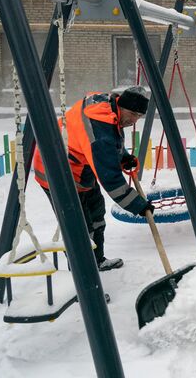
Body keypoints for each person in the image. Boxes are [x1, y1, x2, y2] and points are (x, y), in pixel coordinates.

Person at [33, 86, 155, 271]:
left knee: (96, 214)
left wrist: (122, 157)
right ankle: (86, 284)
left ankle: (97, 261)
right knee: (80, 228)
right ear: (121, 105)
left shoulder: (107, 106)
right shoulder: (100, 129)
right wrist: (138, 205)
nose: (134, 120)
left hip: (80, 166)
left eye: (139, 115)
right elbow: (110, 179)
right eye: (132, 113)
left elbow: (111, 138)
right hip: (58, 173)